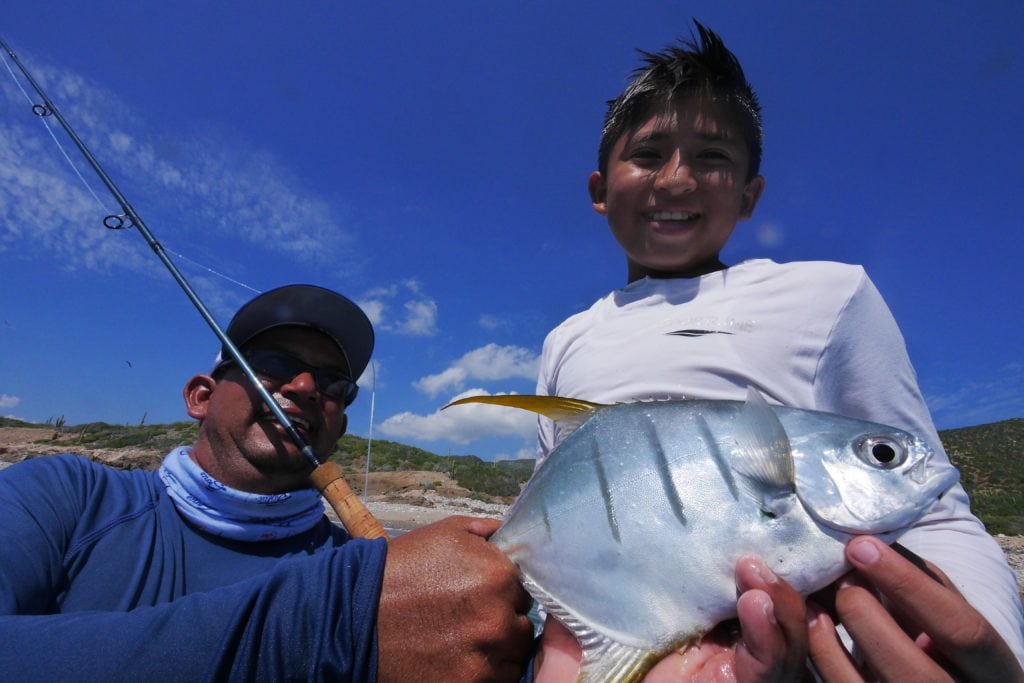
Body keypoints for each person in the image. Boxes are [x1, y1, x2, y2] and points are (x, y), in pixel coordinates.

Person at [532, 21, 1024, 681]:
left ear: (749, 195)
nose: (677, 179)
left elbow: (934, 508)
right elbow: (560, 506)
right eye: (648, 154)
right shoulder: (567, 339)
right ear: (599, 190)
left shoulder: (828, 293)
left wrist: (989, 650)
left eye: (711, 157)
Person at [0, 284, 534, 681]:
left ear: (339, 425)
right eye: (274, 364)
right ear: (200, 397)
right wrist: (331, 629)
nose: (305, 387)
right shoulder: (63, 495)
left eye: (334, 385)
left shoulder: (369, 571)